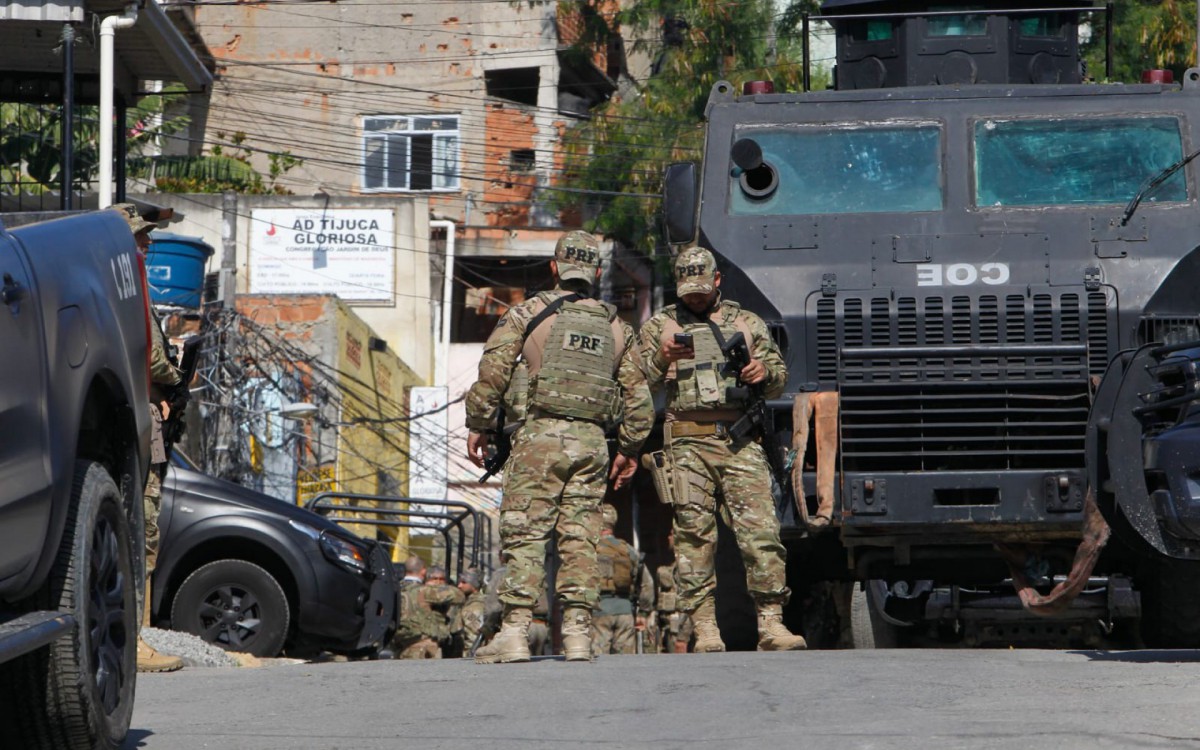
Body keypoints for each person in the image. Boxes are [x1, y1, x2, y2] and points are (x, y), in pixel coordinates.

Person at [466, 230, 655, 663]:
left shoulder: (526, 313)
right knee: (580, 537)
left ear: (554, 268)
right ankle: (577, 636)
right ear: (597, 271)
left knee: (527, 535)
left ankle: (514, 633)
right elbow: (639, 401)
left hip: (539, 438)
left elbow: (492, 374)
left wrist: (478, 424)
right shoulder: (617, 327)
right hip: (592, 444)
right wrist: (628, 448)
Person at [638, 245, 806, 652]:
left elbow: (780, 378)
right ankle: (705, 628)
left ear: (716, 281)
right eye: (686, 289)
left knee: (761, 531)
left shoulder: (746, 323)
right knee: (694, 536)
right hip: (685, 442)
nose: (694, 296)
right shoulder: (659, 326)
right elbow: (637, 381)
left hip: (738, 439)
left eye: (701, 287)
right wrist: (662, 360)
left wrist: (762, 372)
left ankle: (771, 622)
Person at [113, 202, 186, 674]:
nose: (148, 243)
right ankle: (133, 644)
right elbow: (152, 355)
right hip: (139, 418)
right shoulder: (129, 284)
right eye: (142, 235)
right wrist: (174, 380)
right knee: (142, 529)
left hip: (133, 412)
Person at [591, 504, 653, 656]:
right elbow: (647, 584)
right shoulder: (628, 550)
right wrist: (643, 614)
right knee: (624, 662)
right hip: (625, 612)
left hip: (598, 611)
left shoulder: (590, 549)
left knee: (599, 661)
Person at [657, 531, 693, 653]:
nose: (668, 537)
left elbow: (691, 598)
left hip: (680, 624)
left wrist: (683, 636)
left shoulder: (686, 564)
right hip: (670, 623)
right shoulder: (674, 564)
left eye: (672, 534)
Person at [457, 569, 488, 653]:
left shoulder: (472, 608)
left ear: (474, 586)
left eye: (464, 582)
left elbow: (473, 638)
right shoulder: (483, 601)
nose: (459, 585)